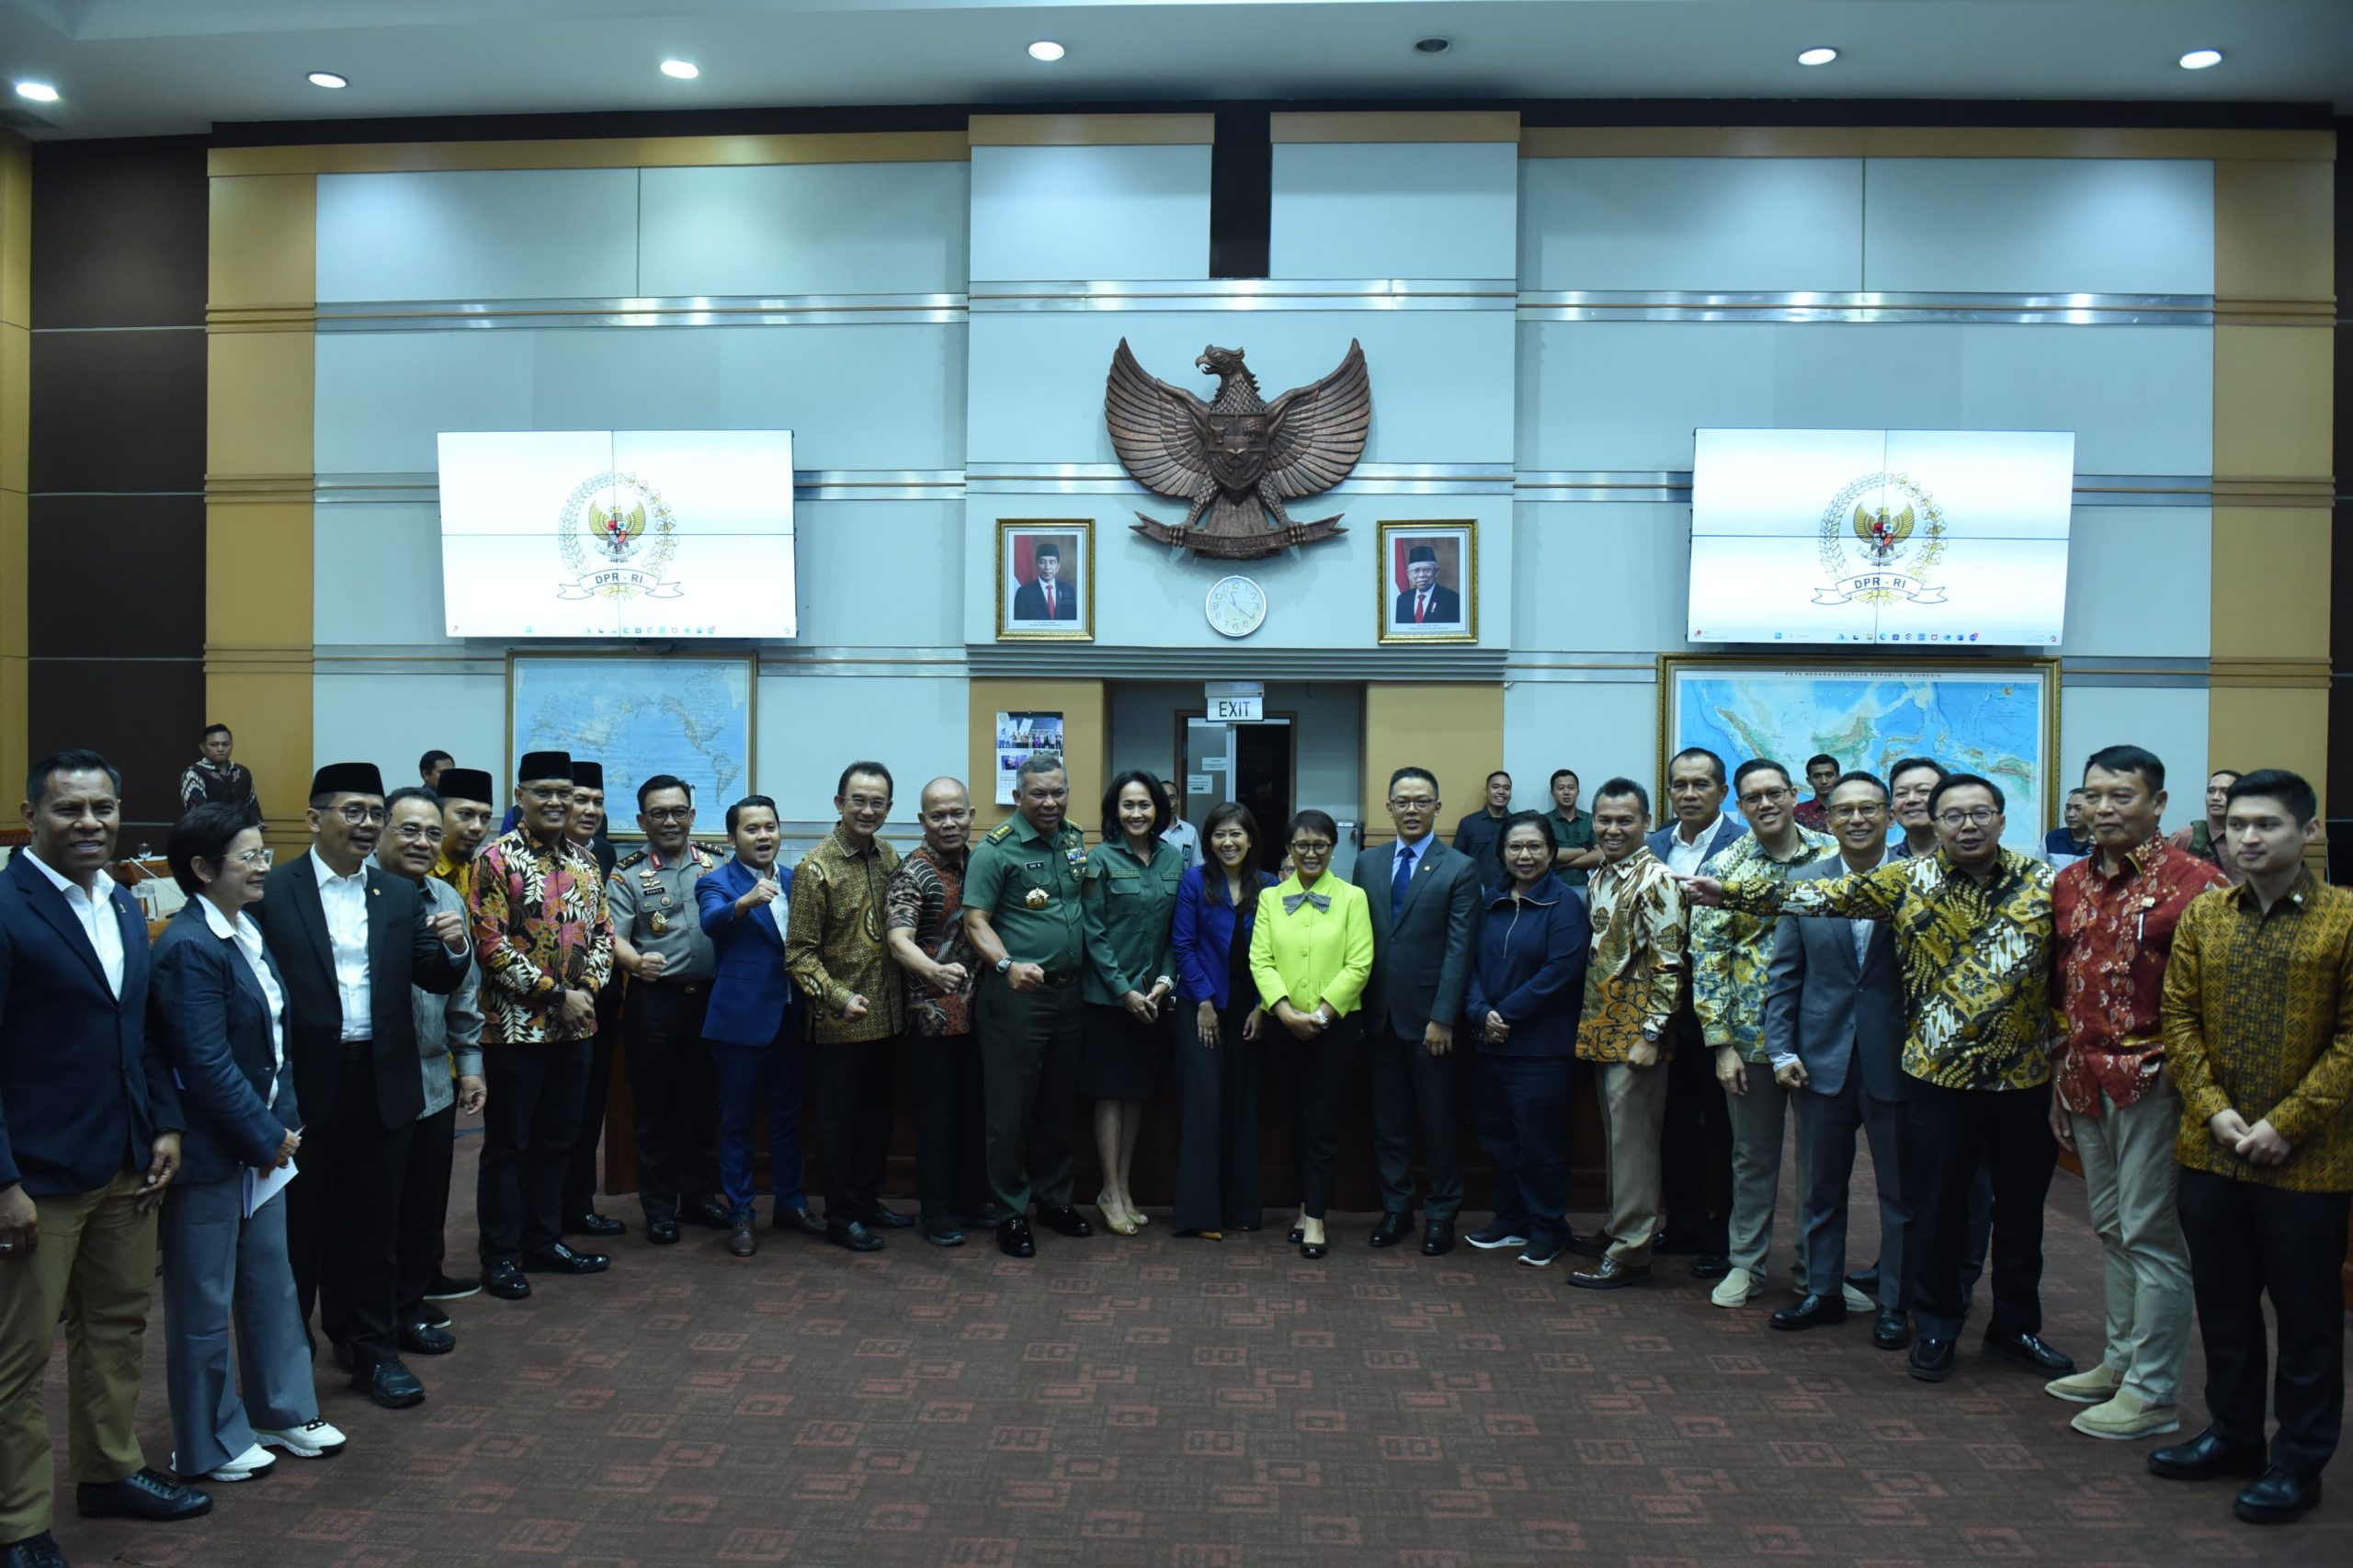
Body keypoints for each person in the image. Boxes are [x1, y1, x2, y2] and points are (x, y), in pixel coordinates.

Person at [1683, 773, 2076, 1387]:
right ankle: (1934, 1324)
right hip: (1937, 1074)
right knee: (1932, 1205)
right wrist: (1729, 893)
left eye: (1980, 814)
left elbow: (2071, 971)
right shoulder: (1908, 880)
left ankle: (2013, 1326)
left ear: (2003, 819)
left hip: (2018, 1076)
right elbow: (1819, 899)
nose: (1967, 826)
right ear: (1933, 824)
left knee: (2018, 1212)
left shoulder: (2048, 885)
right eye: (1954, 816)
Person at [0, 751, 208, 1564]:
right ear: (30, 814)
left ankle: (110, 1470)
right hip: (35, 1178)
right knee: (16, 1360)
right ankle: (17, 1520)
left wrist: (163, 1123)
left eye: (102, 809)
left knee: (117, 1327)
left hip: (125, 1161)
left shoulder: (123, 901)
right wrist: (3, 1178)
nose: (89, 824)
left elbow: (141, 1032)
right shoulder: (7, 907)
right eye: (68, 810)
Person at [2153, 767, 2352, 1527]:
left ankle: (2299, 1462)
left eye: (2267, 824)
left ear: (2307, 832)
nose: (2249, 837)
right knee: (2225, 1305)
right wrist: (2215, 1112)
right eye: (2237, 825)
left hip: (2310, 1160)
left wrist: (2286, 1122)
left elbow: (2352, 1040)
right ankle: (2234, 1436)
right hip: (2212, 1150)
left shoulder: (2345, 919)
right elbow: (2179, 1022)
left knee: (2306, 1319)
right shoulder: (2207, 918)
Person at [256, 762, 469, 1412]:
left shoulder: (399, 896)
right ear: (315, 818)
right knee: (301, 1237)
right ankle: (285, 1370)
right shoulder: (275, 891)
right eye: (353, 811)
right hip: (304, 1089)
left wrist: (456, 950)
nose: (367, 823)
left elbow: (434, 978)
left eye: (374, 812)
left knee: (375, 1229)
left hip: (383, 1083)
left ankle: (372, 1352)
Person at [151, 802, 341, 1485]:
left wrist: (281, 1131)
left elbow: (274, 1043)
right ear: (203, 868)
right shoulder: (187, 948)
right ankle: (205, 1442)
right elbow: (203, 1064)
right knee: (203, 1303)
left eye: (264, 853)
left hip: (266, 1148)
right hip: (213, 1154)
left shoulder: (246, 931)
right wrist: (266, 1137)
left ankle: (282, 1410)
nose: (264, 866)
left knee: (271, 1283)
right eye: (249, 856)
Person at [2044, 747, 2227, 1441]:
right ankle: (2119, 1363)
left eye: (2122, 796)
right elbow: (2068, 987)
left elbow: (2213, 997)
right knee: (2114, 1227)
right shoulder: (2071, 882)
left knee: (2152, 1234)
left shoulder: (2196, 884)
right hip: (2085, 1077)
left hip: (2156, 1082)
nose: (2104, 809)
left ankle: (2154, 1394)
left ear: (2156, 803)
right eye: (2094, 796)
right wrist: (2063, 1074)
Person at [1763, 771, 1912, 1348]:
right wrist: (1781, 1049)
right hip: (1819, 1059)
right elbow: (1784, 977)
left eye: (1868, 809)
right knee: (1821, 1187)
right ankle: (1822, 1292)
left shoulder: (1914, 883)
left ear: (1889, 816)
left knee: (1901, 1193)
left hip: (1895, 1060)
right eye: (1843, 810)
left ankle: (1896, 1302)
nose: (1855, 819)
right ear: (1825, 818)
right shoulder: (1805, 884)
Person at [1688, 759, 1838, 1309]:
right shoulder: (1725, 865)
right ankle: (1745, 1266)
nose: (1765, 804)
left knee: (1822, 1164)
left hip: (1823, 1035)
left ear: (1794, 795)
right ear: (1740, 806)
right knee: (1752, 1158)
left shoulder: (1830, 859)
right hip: (1749, 1037)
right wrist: (1721, 1045)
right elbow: (1708, 959)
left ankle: (1816, 1274)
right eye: (1753, 798)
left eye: (1774, 793)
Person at [468, 751, 613, 1301]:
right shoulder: (495, 859)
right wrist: (557, 996)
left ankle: (544, 1241)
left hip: (577, 1029)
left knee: (559, 1140)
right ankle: (501, 1256)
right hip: (515, 1031)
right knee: (509, 1146)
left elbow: (602, 933)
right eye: (544, 792)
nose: (557, 802)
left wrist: (587, 992)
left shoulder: (585, 860)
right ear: (520, 796)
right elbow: (490, 944)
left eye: (565, 792)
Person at [961, 753, 1097, 1257]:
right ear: (1017, 797)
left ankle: (1054, 1200)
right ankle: (1011, 1212)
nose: (1050, 802)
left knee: (1057, 1106)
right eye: (1038, 793)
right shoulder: (995, 851)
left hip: (1069, 995)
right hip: (1017, 998)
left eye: (1058, 792)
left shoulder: (1074, 838)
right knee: (1010, 1112)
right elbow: (976, 922)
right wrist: (1006, 967)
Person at [372, 787, 485, 1357]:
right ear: (382, 830)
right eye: (408, 830)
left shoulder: (444, 894)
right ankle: (376, 1317)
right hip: (371, 1082)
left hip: (434, 1079)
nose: (421, 842)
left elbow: (464, 989)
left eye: (430, 833)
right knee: (377, 1208)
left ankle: (411, 1303)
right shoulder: (362, 894)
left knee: (425, 1199)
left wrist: (469, 1064)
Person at [1563, 778, 1688, 1290]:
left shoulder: (1656, 879)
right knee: (1619, 1141)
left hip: (1637, 1034)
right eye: (1605, 820)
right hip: (1602, 1028)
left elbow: (1670, 963)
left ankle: (1632, 1251)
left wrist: (1652, 1035)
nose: (1613, 829)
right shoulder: (1603, 874)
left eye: (1625, 820)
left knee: (1635, 1143)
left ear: (1647, 823)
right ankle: (1619, 1228)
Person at [1353, 766, 1483, 1256]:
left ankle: (1442, 1214)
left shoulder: (1460, 867)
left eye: (1421, 801)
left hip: (1432, 1021)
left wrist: (1444, 1016)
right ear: (1388, 807)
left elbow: (1460, 949)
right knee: (1388, 1121)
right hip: (1378, 1015)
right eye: (1402, 801)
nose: (1411, 809)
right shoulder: (1368, 862)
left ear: (1437, 807)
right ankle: (1396, 1210)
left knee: (1438, 1122)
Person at [784, 761, 911, 1250]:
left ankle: (867, 1201)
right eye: (858, 800)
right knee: (838, 1126)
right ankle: (840, 1216)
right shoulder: (816, 868)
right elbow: (798, 954)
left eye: (877, 802)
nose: (868, 809)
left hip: (889, 1016)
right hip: (839, 1024)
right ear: (839, 803)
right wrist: (838, 997)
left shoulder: (888, 857)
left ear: (889, 808)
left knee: (876, 1120)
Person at [1463, 812, 1592, 1268]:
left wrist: (1506, 1013)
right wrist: (1481, 1012)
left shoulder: (1565, 904)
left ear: (1552, 851)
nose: (1524, 855)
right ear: (1501, 853)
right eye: (1515, 847)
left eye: (1534, 846)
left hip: (1541, 1049)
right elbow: (1469, 964)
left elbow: (1561, 971)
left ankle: (1546, 1228)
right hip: (1490, 1044)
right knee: (1499, 1140)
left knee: (1541, 1145)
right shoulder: (1490, 899)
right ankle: (1510, 1219)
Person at [608, 775, 729, 1246]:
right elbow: (611, 934)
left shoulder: (718, 865)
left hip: (710, 1002)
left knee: (701, 1105)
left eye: (679, 811)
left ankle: (698, 1198)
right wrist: (635, 961)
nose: (670, 821)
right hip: (654, 1005)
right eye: (658, 813)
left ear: (693, 815)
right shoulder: (627, 873)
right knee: (654, 1109)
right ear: (642, 821)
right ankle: (659, 1208)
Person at [1249, 809, 1374, 1261]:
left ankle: (1317, 1217)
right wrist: (1283, 1012)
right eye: (1301, 845)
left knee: (1323, 1122)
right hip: (1283, 1029)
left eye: (1320, 845)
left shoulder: (1352, 897)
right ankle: (1304, 1207)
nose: (1311, 853)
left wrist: (1320, 1016)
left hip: (1336, 1028)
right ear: (1288, 849)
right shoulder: (1270, 897)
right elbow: (1260, 960)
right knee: (1295, 1119)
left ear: (1333, 849)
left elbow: (1359, 963)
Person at [698, 795, 818, 1257]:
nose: (764, 836)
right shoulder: (717, 882)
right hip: (740, 1025)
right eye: (752, 829)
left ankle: (790, 1203)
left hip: (791, 1018)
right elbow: (711, 922)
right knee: (738, 1124)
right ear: (733, 838)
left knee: (789, 1120)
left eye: (770, 826)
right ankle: (741, 1213)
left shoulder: (794, 879)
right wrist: (745, 902)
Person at [884, 778, 996, 1248]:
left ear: (971, 815)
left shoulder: (981, 862)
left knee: (974, 1113)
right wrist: (936, 971)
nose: (948, 823)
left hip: (982, 1015)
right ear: (923, 821)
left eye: (957, 813)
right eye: (937, 815)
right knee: (936, 1118)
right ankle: (938, 1210)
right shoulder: (913, 872)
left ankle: (971, 1199)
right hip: (932, 1016)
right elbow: (897, 941)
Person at [1648, 746, 1746, 1279]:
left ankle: (1725, 1234)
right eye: (1680, 785)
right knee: (1675, 1124)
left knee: (1726, 1132)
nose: (1689, 794)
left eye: (1701, 785)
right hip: (1666, 1011)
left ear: (1722, 792)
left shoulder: (1744, 845)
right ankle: (1683, 1222)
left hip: (1725, 1013)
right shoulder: (1654, 844)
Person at [1077, 772, 1184, 1235]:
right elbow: (1093, 933)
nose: (1136, 813)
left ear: (1159, 808)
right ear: (1114, 811)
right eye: (1127, 805)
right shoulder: (1098, 860)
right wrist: (1124, 990)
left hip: (1154, 999)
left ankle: (1123, 1187)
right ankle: (1109, 1189)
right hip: (1107, 1000)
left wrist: (1163, 981)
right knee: (1111, 1094)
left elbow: (1177, 932)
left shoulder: (1175, 859)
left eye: (1144, 804)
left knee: (1137, 1094)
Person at [1169, 801, 1277, 1239]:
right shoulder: (1195, 881)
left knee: (1243, 1107)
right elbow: (1183, 945)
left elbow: (1274, 953)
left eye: (1236, 834)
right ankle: (1200, 1214)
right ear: (1208, 840)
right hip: (1202, 1009)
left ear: (1250, 839)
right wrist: (1206, 1002)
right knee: (1205, 1105)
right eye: (1219, 834)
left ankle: (1242, 1210)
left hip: (1252, 1010)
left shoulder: (1268, 886)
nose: (1227, 842)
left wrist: (1263, 1006)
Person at [559, 761, 625, 1243]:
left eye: (597, 802)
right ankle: (539, 1216)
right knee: (548, 1121)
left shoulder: (603, 852)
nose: (589, 810)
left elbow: (605, 930)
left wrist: (595, 986)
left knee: (587, 1114)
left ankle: (578, 1207)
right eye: (580, 800)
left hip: (598, 1003)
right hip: (546, 1006)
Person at [429, 767, 496, 910]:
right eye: (465, 814)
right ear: (437, 815)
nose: (477, 827)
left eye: (485, 817)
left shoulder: (471, 872)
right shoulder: (419, 870)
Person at [2171, 768, 2245, 884]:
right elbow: (2165, 885)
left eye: (2225, 791)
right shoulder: (2186, 837)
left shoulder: (2252, 838)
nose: (2215, 797)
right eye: (2210, 791)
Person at [177, 724, 256, 820]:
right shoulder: (194, 773)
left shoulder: (242, 772)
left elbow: (253, 809)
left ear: (232, 745)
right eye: (214, 745)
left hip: (242, 833)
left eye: (225, 744)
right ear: (203, 748)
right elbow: (197, 815)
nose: (220, 749)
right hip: (207, 832)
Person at [1543, 768, 1601, 890]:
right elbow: (1546, 854)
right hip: (1552, 888)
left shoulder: (1591, 819)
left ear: (1578, 791)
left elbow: (1601, 855)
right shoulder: (1543, 822)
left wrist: (1563, 864)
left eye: (1571, 787)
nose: (1566, 792)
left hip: (1588, 888)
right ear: (1552, 792)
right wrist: (1585, 850)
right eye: (1560, 788)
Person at [1451, 770, 1514, 870]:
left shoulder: (1516, 824)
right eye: (1495, 787)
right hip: (1475, 884)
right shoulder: (1468, 823)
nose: (1501, 792)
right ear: (1486, 791)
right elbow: (1456, 860)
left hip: (1509, 885)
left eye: (1506, 788)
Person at [1888, 756, 1947, 859]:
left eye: (1923, 791)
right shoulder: (1884, 863)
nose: (1911, 799)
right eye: (1902, 793)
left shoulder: (1970, 856)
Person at [1393, 543, 1461, 626]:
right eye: (1416, 570)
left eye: (1427, 570)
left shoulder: (1452, 599)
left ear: (1436, 572)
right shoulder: (1402, 600)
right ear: (1408, 574)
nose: (1421, 575)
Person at [1013, 540, 1077, 620]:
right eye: (1042, 562)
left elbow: (1073, 622)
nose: (1047, 567)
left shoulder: (1068, 591)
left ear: (1058, 567)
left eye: (1052, 562)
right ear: (1036, 565)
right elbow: (1019, 625)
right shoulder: (1023, 593)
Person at [1160, 780, 1201, 869]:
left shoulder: (1190, 831)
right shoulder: (1149, 830)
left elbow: (1197, 867)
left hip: (1184, 882)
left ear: (1178, 800)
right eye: (1163, 797)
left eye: (1172, 797)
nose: (1168, 802)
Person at [1792, 754, 1839, 832]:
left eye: (1829, 775)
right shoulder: (1796, 812)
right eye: (1817, 776)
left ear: (1838, 778)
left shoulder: (1852, 808)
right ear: (1809, 780)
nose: (1824, 781)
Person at [2045, 789, 2095, 862]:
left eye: (2078, 809)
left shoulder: (2102, 842)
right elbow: (2036, 869)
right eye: (2068, 808)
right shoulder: (2051, 838)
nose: (2070, 814)